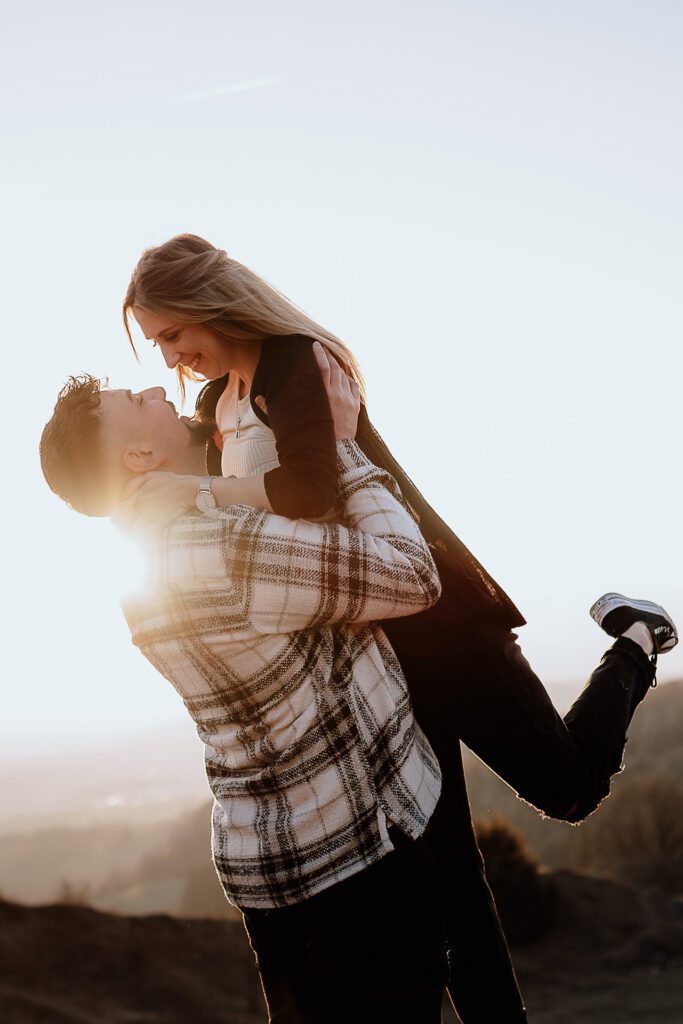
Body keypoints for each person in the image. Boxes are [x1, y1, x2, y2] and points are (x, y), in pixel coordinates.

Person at [117, 234, 679, 1022]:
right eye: (158, 343)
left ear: (210, 302)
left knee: (569, 790)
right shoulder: (216, 407)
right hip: (372, 668)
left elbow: (309, 491)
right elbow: (242, 536)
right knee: (453, 884)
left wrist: (197, 493)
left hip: (441, 628)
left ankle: (636, 642)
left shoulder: (296, 361)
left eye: (174, 333)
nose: (171, 357)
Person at [39, 356, 451, 1022]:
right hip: (353, 867)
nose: (154, 388)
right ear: (142, 455)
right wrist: (340, 447)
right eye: (137, 401)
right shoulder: (223, 546)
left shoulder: (144, 568)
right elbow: (411, 576)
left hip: (266, 880)